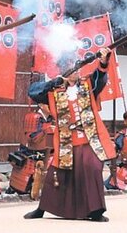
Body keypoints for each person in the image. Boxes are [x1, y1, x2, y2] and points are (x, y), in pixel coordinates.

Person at [23, 48, 114, 222]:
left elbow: (100, 78)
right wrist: (53, 82)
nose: (76, 71)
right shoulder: (53, 90)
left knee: (93, 167)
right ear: (64, 70)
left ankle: (95, 211)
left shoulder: (87, 85)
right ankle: (42, 208)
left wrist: (103, 62)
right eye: (72, 67)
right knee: (58, 174)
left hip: (89, 138)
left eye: (77, 67)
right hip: (66, 140)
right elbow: (32, 92)